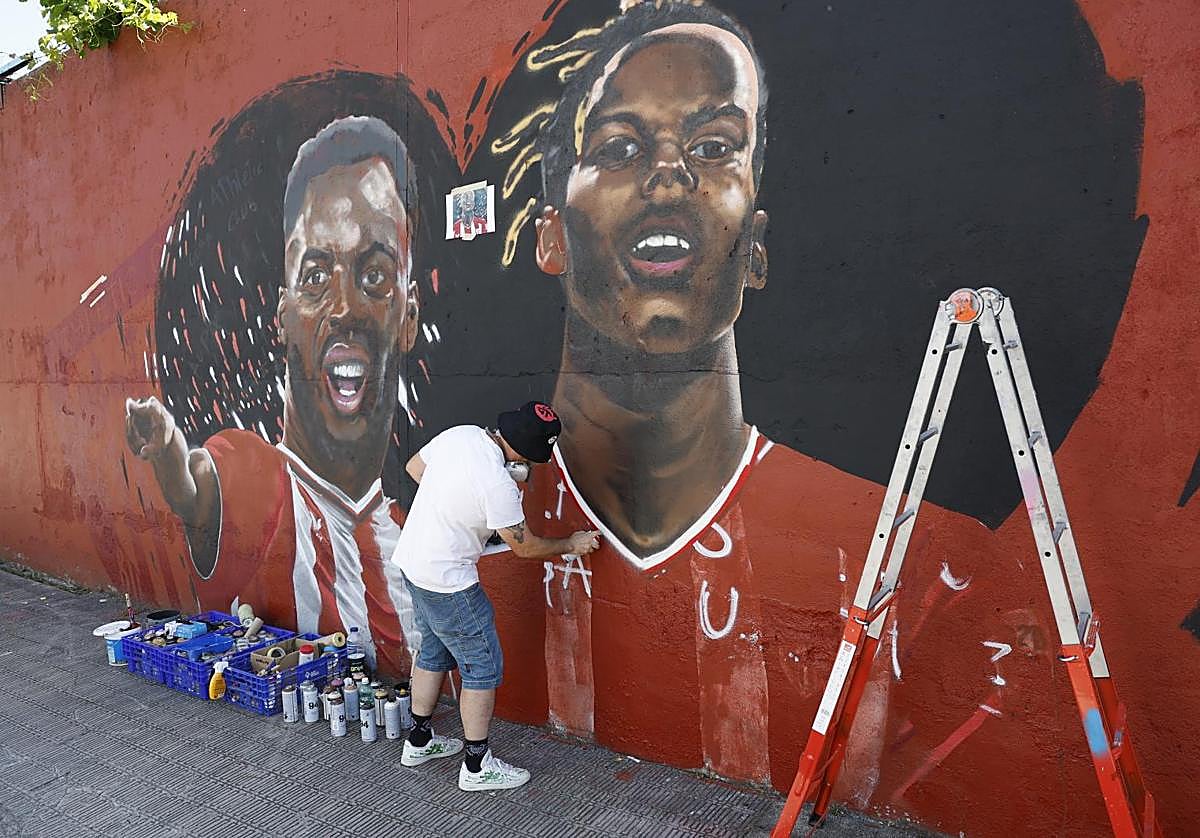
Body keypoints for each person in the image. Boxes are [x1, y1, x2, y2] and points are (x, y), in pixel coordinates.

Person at [489, 0, 1018, 799]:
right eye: (621, 145)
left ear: (757, 243)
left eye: (713, 145)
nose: (670, 173)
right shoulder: (468, 555)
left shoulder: (934, 576)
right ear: (551, 236)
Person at [124, 116, 423, 675]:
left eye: (375, 275)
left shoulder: (408, 533)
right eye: (315, 275)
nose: (343, 308)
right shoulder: (251, 479)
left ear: (409, 317)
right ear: (282, 314)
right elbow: (193, 492)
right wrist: (165, 446)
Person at [392, 400, 600, 791]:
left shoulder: (461, 434)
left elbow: (414, 469)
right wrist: (571, 543)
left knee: (434, 652)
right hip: (449, 582)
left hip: (413, 564)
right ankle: (476, 767)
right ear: (523, 457)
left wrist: (454, 502)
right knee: (481, 667)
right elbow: (525, 546)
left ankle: (419, 742)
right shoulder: (499, 486)